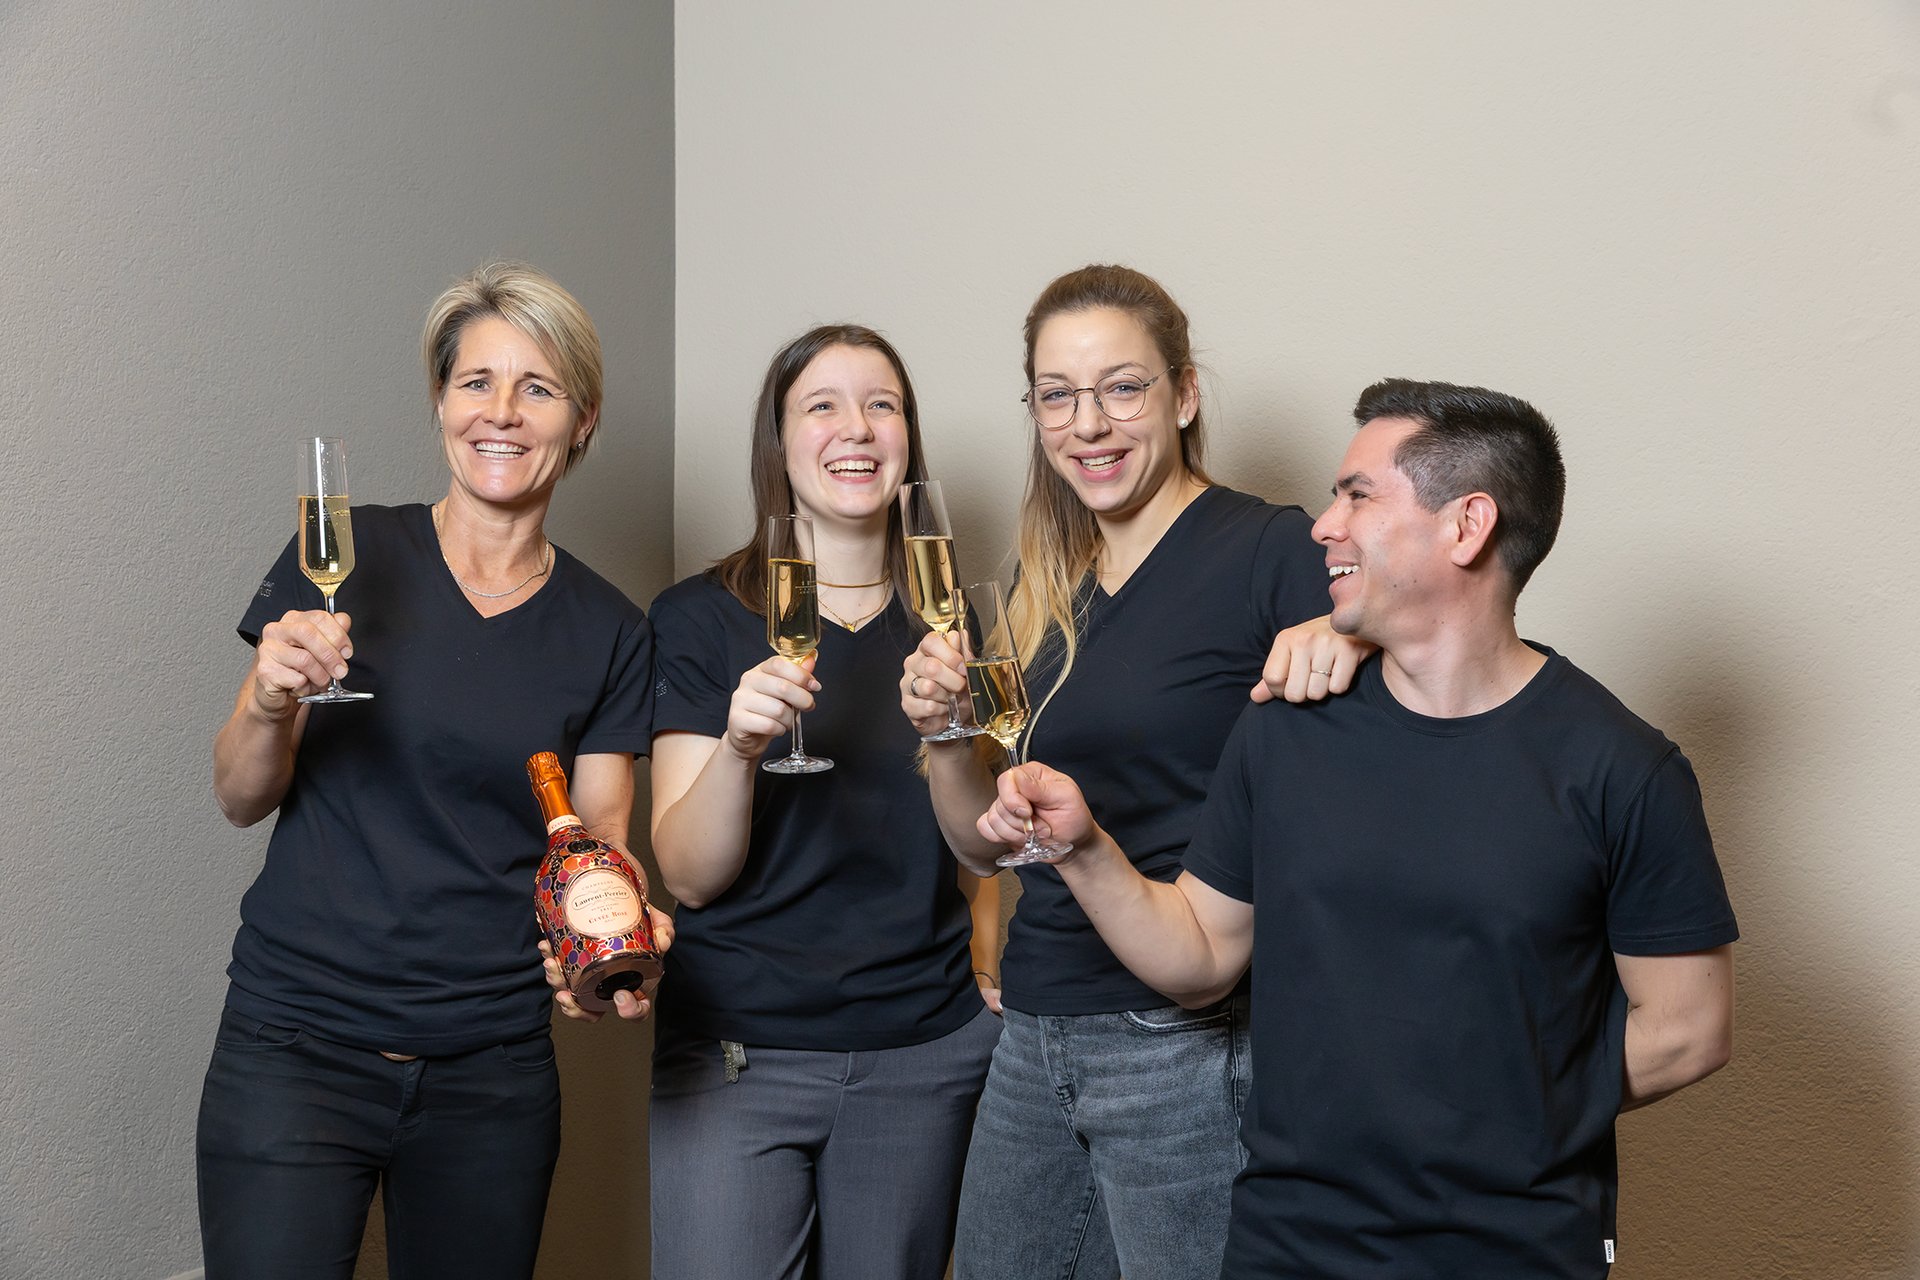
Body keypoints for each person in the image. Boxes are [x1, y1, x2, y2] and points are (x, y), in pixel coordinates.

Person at [980, 378, 1739, 1277]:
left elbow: (1688, 1029)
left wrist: (1491, 1118)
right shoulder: (1283, 729)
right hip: (1289, 1241)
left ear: (1467, 526)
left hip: (1515, 1248)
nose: (1324, 526)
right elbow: (1200, 956)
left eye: (1358, 496)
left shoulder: (1623, 769)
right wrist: (1084, 850)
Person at [901, 264, 1366, 1279]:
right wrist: (944, 737)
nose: (1088, 423)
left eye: (1122, 387)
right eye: (1057, 395)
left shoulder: (1271, 550)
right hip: (1035, 1025)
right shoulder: (1042, 581)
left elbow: (1383, 744)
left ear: (1185, 393)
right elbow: (984, 844)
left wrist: (1351, 635)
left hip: (1187, 1040)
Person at [200, 262, 663, 1280]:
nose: (501, 412)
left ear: (581, 420)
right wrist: (268, 699)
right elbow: (239, 794)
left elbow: (596, 843)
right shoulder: (345, 551)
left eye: (537, 388)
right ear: (441, 403)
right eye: (475, 381)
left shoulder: (612, 631)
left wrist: (610, 950)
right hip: (295, 1047)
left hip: (490, 1073)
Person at [556, 324, 1001, 1280]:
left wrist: (951, 732)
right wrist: (738, 748)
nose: (857, 428)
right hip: (736, 1053)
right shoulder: (697, 617)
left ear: (909, 438)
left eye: (882, 405)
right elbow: (689, 877)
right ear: (780, 444)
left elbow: (981, 850)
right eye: (822, 405)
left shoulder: (954, 622)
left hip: (923, 1054)